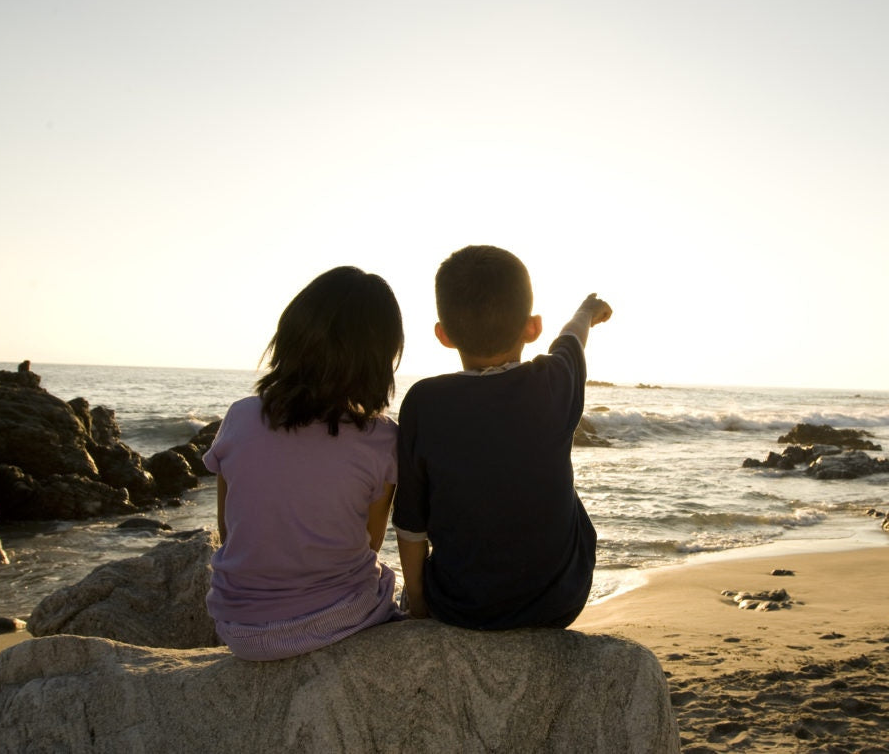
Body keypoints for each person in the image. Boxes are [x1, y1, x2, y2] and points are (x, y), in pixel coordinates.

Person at [392, 244, 612, 630]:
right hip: (558, 603)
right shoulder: (553, 382)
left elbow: (411, 524)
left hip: (459, 607)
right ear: (533, 327)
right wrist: (588, 311)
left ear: (443, 335)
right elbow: (571, 339)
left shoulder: (423, 402)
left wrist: (420, 605)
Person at [204, 266, 405, 660]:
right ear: (380, 358)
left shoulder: (240, 416)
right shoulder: (382, 439)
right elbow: (371, 541)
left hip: (238, 625)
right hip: (335, 619)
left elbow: (229, 530)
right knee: (385, 581)